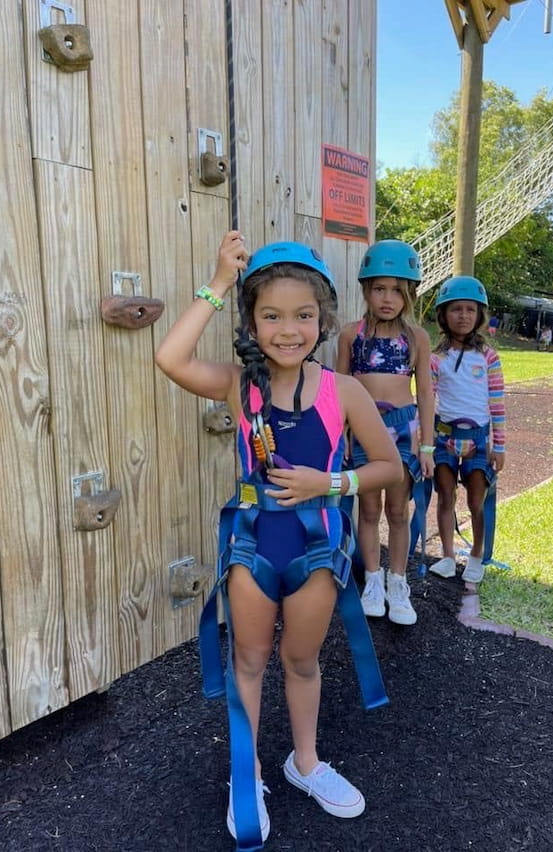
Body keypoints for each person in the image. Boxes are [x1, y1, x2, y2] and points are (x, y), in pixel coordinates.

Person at [155, 231, 402, 849]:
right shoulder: (242, 386)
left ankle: (306, 763)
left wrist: (332, 480)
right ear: (251, 322)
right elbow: (171, 357)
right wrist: (217, 282)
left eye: (302, 315)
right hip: (252, 548)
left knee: (300, 660)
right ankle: (251, 771)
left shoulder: (343, 391)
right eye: (270, 316)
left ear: (323, 319)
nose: (287, 329)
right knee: (248, 659)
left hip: (315, 552)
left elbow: (388, 466)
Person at [336, 240, 435, 624]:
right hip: (363, 429)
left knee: (397, 510)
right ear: (366, 290)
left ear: (410, 294)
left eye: (398, 289)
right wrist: (341, 432)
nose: (388, 297)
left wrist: (426, 446)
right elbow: (340, 388)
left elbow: (425, 392)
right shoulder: (351, 335)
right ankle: (372, 582)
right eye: (380, 288)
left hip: (403, 430)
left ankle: (398, 583)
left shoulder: (417, 338)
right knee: (369, 509)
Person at [428, 275, 506, 584]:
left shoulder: (489, 357)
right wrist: (423, 443)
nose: (463, 316)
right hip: (444, 437)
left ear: (479, 315)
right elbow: (427, 400)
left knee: (476, 502)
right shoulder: (437, 358)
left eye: (470, 310)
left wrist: (499, 446)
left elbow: (497, 405)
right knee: (445, 497)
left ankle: (476, 555)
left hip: (478, 439)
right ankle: (447, 556)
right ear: (444, 315)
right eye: (456, 309)